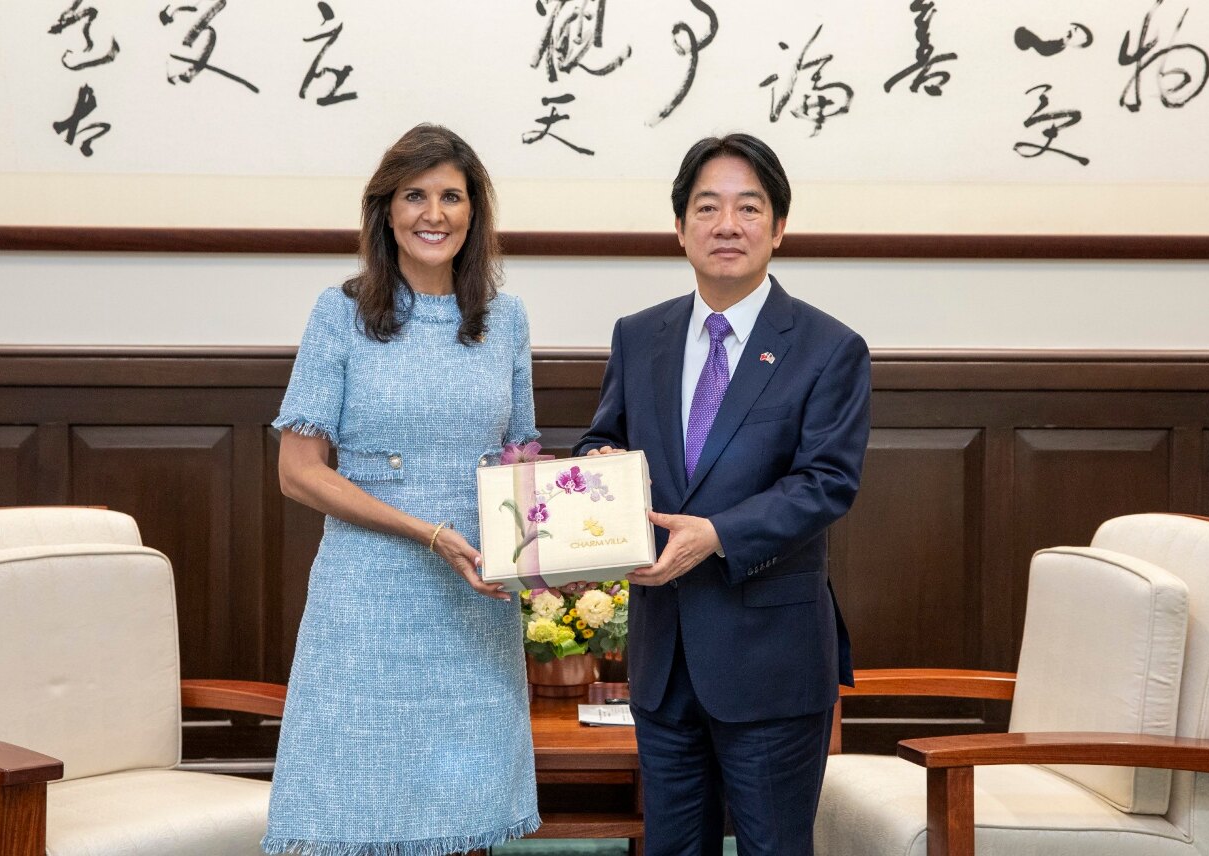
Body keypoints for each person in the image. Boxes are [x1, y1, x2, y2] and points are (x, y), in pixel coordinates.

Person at [574, 133, 871, 856]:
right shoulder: (639, 335)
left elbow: (826, 482)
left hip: (770, 658)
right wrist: (603, 469)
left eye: (748, 207)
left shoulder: (829, 348)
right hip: (663, 655)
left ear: (778, 227)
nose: (726, 225)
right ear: (680, 227)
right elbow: (599, 440)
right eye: (706, 207)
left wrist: (717, 535)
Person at [262, 124, 541, 856]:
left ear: (475, 213)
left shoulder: (506, 321)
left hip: (474, 603)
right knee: (359, 811)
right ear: (385, 210)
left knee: (466, 816)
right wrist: (428, 533)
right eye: (415, 195)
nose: (434, 212)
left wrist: (560, 549)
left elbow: (521, 466)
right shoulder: (341, 313)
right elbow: (299, 472)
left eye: (452, 196)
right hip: (366, 604)